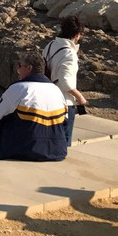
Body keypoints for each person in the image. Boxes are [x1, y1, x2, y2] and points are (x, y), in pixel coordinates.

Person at [0, 53, 68, 164]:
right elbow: (65, 122)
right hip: (57, 150)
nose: (17, 70)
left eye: (20, 66)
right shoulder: (56, 90)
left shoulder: (19, 88)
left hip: (26, 149)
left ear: (29, 68)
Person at [42, 15, 88, 147]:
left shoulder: (50, 45)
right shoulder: (69, 54)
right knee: (63, 142)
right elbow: (65, 81)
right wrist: (80, 97)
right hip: (64, 102)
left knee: (50, 139)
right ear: (77, 34)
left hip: (47, 97)